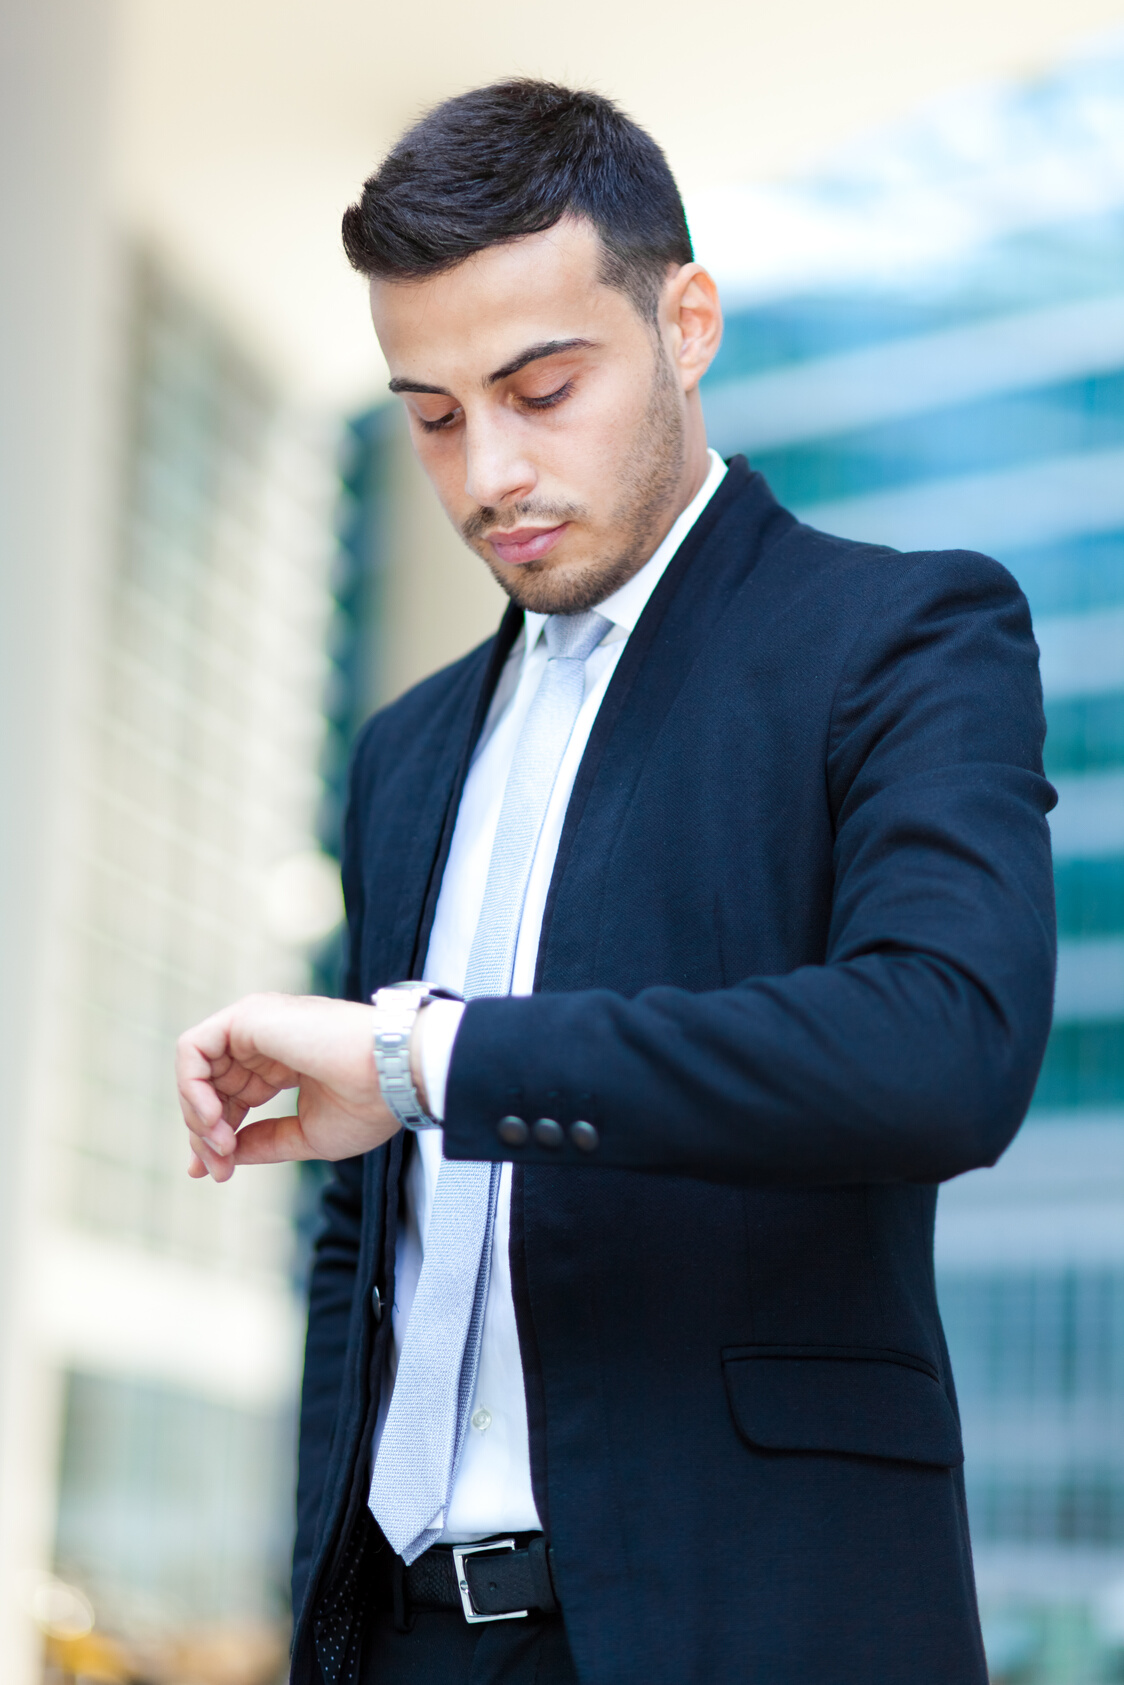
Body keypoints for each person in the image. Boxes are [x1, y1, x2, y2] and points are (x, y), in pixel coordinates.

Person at [175, 80, 1056, 1685]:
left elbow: (946, 1040)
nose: (487, 471)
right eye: (433, 415)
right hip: (409, 1637)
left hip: (747, 1625)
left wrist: (423, 1055)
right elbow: (362, 1253)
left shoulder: (902, 635)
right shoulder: (405, 749)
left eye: (542, 386)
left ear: (689, 322)